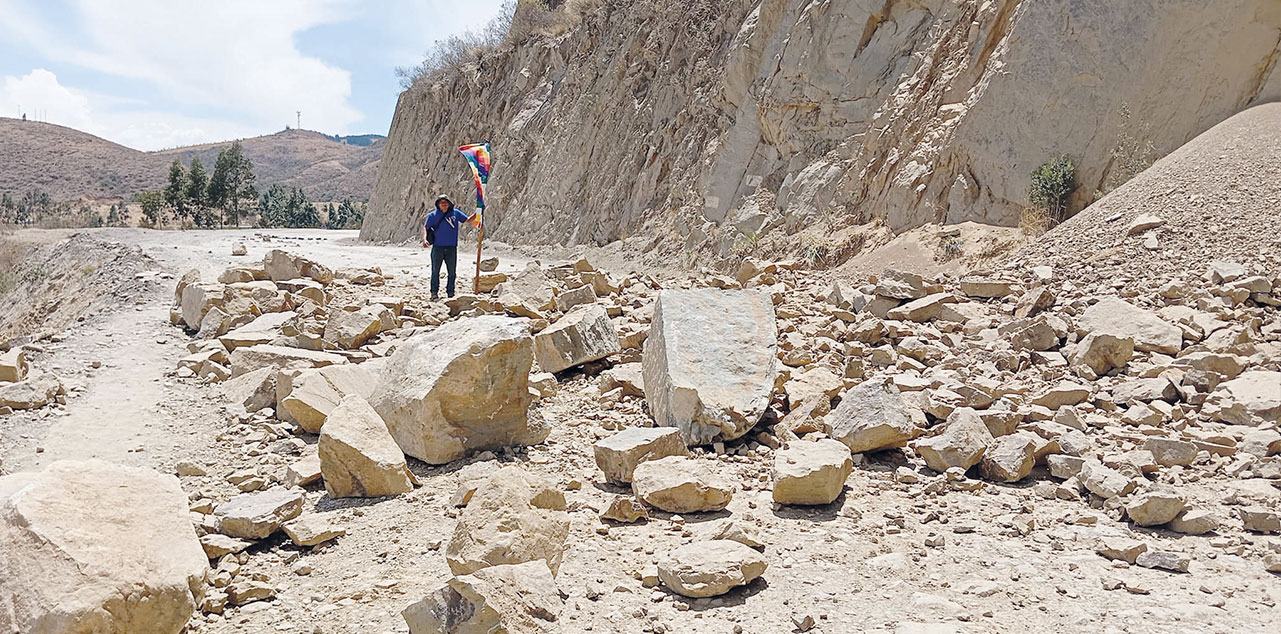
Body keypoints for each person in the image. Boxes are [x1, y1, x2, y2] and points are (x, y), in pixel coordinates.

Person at [421, 194, 473, 299]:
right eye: (441, 202)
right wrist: (425, 239)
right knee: (435, 271)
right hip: (437, 248)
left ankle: (450, 292)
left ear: (449, 204)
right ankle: (434, 292)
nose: (444, 204)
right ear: (438, 204)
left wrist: (479, 211)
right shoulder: (432, 215)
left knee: (452, 272)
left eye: (445, 202)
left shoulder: (456, 213)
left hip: (451, 248)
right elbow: (426, 228)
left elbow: (468, 220)